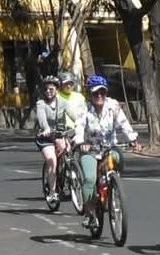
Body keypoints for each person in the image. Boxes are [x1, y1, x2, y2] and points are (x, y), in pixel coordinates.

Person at [73, 74, 142, 228]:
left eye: (102, 92)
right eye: (95, 93)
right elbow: (78, 127)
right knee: (90, 179)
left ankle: (113, 184)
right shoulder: (84, 108)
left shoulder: (113, 105)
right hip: (90, 150)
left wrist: (133, 139)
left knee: (118, 158)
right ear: (90, 93)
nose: (99, 96)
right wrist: (81, 142)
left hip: (109, 147)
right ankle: (89, 212)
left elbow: (124, 123)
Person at [35, 76, 69, 207]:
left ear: (57, 89)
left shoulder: (63, 102)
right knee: (52, 160)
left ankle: (68, 177)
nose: (48, 91)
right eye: (46, 89)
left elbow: (73, 115)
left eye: (51, 89)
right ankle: (53, 192)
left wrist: (79, 125)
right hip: (45, 137)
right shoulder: (41, 104)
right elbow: (42, 119)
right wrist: (46, 128)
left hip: (60, 134)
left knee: (69, 150)